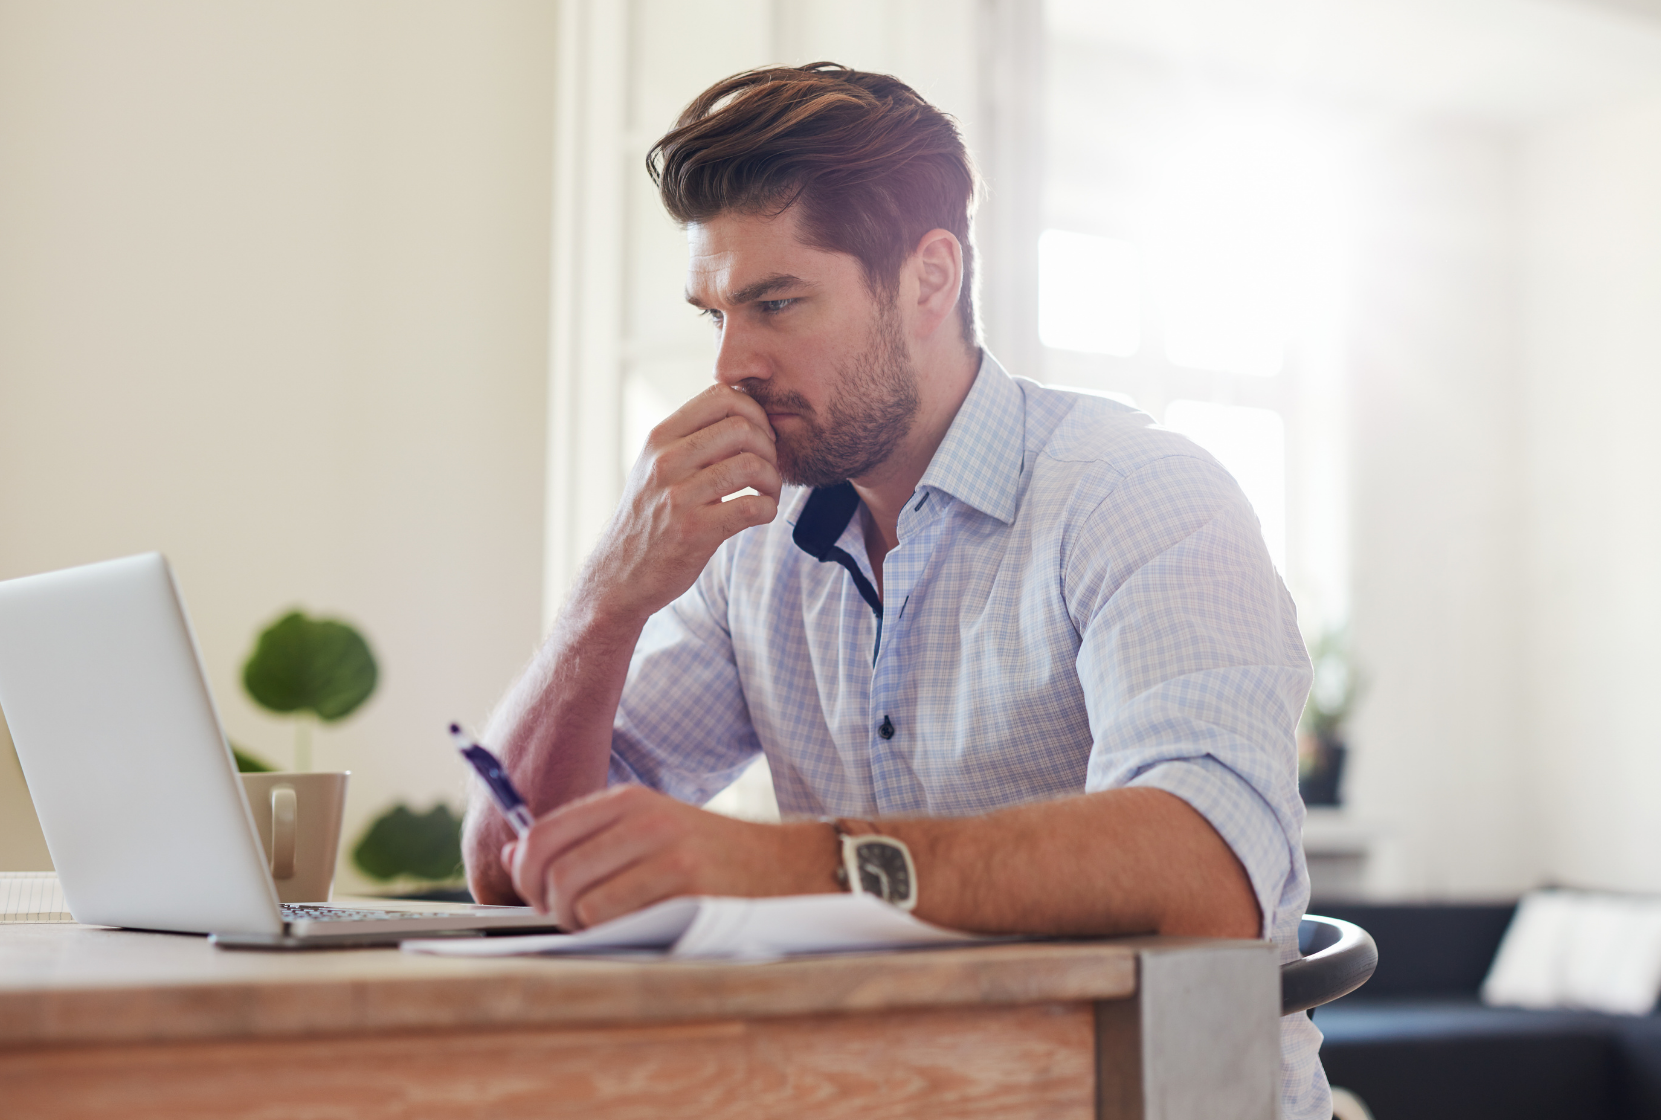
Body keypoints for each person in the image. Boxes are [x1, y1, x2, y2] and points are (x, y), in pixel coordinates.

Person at [463, 62, 1325, 1117]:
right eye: (715, 314)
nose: (732, 364)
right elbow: (513, 855)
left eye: (777, 302)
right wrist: (608, 597)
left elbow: (1208, 870)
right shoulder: (754, 544)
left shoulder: (1138, 495)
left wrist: (785, 867)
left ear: (929, 279)